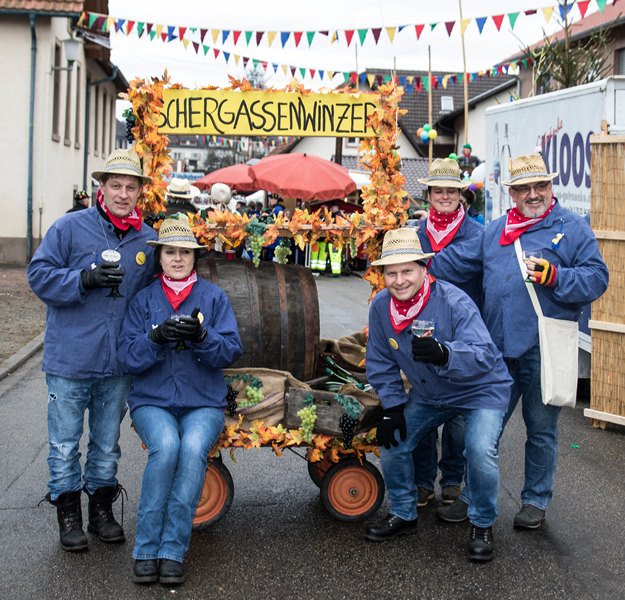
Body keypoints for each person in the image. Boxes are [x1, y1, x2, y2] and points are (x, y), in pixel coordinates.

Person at [437, 154, 609, 530]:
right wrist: (407, 258)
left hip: (542, 351)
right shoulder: (495, 231)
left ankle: (534, 500)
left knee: (541, 430)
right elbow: (449, 264)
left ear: (551, 187)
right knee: (485, 431)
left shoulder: (572, 228)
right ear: (512, 193)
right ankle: (471, 497)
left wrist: (557, 277)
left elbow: (598, 278)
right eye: (524, 188)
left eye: (541, 186)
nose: (534, 194)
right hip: (496, 352)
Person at [27, 148, 157, 552]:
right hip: (70, 358)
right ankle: (69, 513)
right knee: (65, 443)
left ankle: (101, 509)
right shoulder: (69, 228)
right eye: (115, 185)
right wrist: (83, 279)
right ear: (101, 187)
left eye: (130, 187)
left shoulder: (146, 239)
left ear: (139, 192)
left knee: (105, 443)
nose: (122, 194)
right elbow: (39, 275)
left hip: (117, 362)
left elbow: (155, 293)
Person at [364, 228, 512, 561]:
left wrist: (446, 354)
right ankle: (403, 513)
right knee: (394, 441)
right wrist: (392, 407)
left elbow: (486, 355)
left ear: (423, 269)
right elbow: (379, 362)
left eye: (407, 271)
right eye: (392, 273)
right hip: (432, 395)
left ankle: (482, 522)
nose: (400, 280)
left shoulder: (454, 301)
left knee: (479, 449)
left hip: (480, 390)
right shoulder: (380, 307)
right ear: (383, 276)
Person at [118, 213, 242, 585]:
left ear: (194, 258)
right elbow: (127, 355)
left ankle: (172, 550)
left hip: (203, 401)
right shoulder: (144, 300)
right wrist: (154, 340)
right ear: (159, 257)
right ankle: (145, 549)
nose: (177, 258)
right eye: (170, 252)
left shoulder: (213, 297)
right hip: (152, 400)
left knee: (191, 449)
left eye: (184, 253)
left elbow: (232, 349)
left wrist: (204, 337)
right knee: (167, 446)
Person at [410, 158, 485, 509]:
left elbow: (459, 265)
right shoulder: (416, 234)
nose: (444, 196)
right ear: (428, 195)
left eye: (451, 191)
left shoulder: (476, 234)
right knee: (422, 404)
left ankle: (452, 479)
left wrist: (424, 260)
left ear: (461, 195)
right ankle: (423, 481)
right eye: (438, 190)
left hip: (461, 333)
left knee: (456, 415)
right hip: (421, 327)